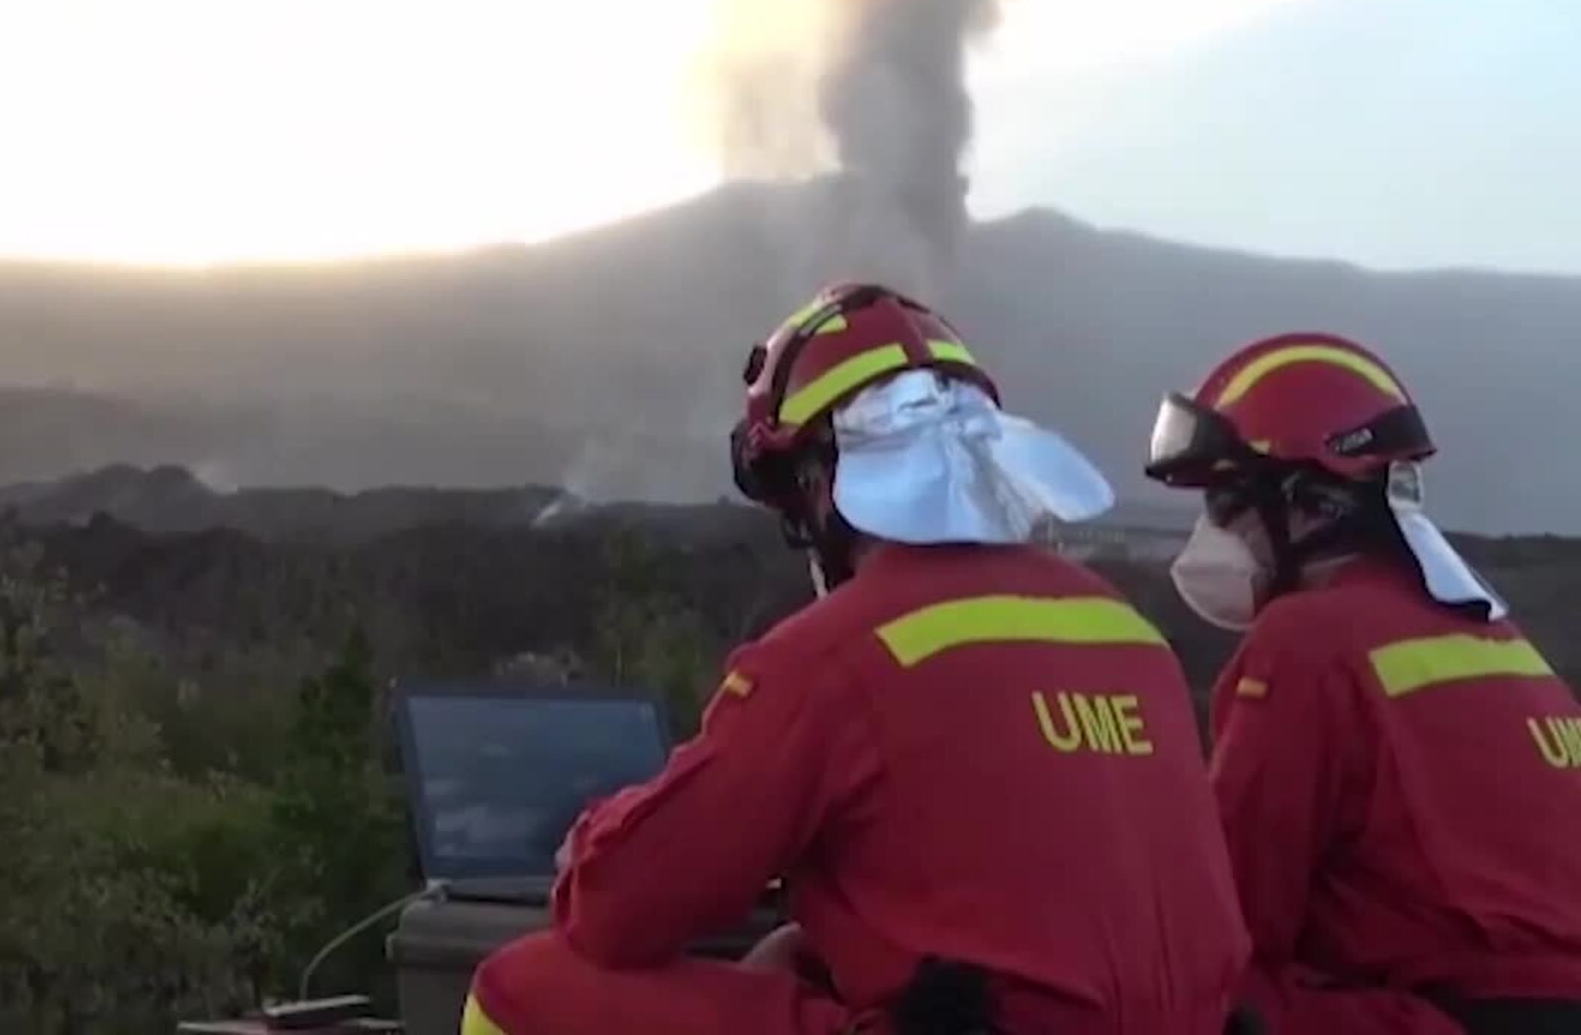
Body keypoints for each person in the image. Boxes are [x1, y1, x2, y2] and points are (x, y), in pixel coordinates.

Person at [461, 283, 1252, 1035]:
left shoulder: (835, 655)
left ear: (819, 483)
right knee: (788, 962)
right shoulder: (1128, 635)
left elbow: (619, 911)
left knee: (516, 989)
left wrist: (592, 841)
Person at [1144, 331, 1581, 1034]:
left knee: (1183, 984)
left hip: (1449, 1015)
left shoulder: (1311, 641)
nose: (1212, 532)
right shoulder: (1492, 634)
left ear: (1312, 504)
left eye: (1227, 502)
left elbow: (1230, 913)